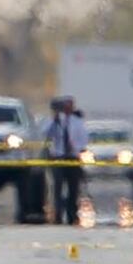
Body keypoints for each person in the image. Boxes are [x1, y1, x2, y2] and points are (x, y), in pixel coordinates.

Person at [43, 96, 89, 225]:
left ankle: (72, 215)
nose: (67, 108)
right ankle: (57, 215)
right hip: (58, 157)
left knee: (73, 188)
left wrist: (78, 149)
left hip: (73, 157)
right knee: (57, 187)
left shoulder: (77, 121)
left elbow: (84, 138)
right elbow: (45, 133)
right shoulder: (55, 121)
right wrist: (54, 120)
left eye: (70, 105)